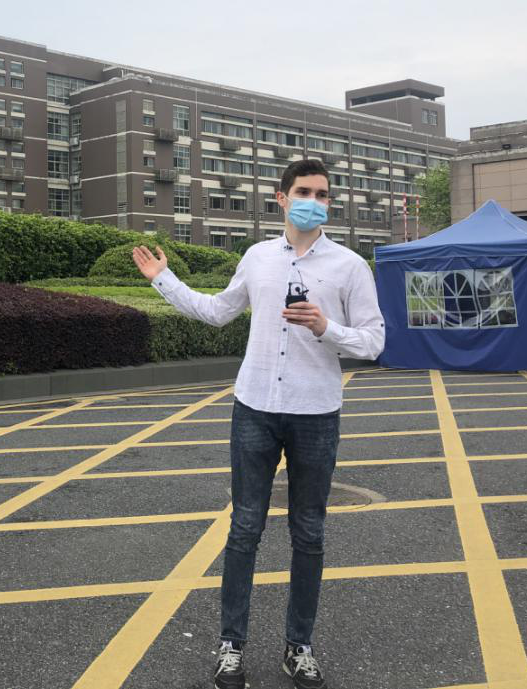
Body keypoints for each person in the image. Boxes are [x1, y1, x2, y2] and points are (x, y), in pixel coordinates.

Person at [131, 159, 385, 689]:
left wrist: (327, 327)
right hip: (255, 407)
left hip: (316, 412)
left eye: (323, 194)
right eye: (304, 192)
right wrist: (163, 281)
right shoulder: (257, 257)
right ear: (281, 198)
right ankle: (232, 646)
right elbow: (217, 311)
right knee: (244, 528)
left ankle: (299, 646)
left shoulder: (349, 266)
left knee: (308, 532)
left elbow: (374, 341)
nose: (314, 201)